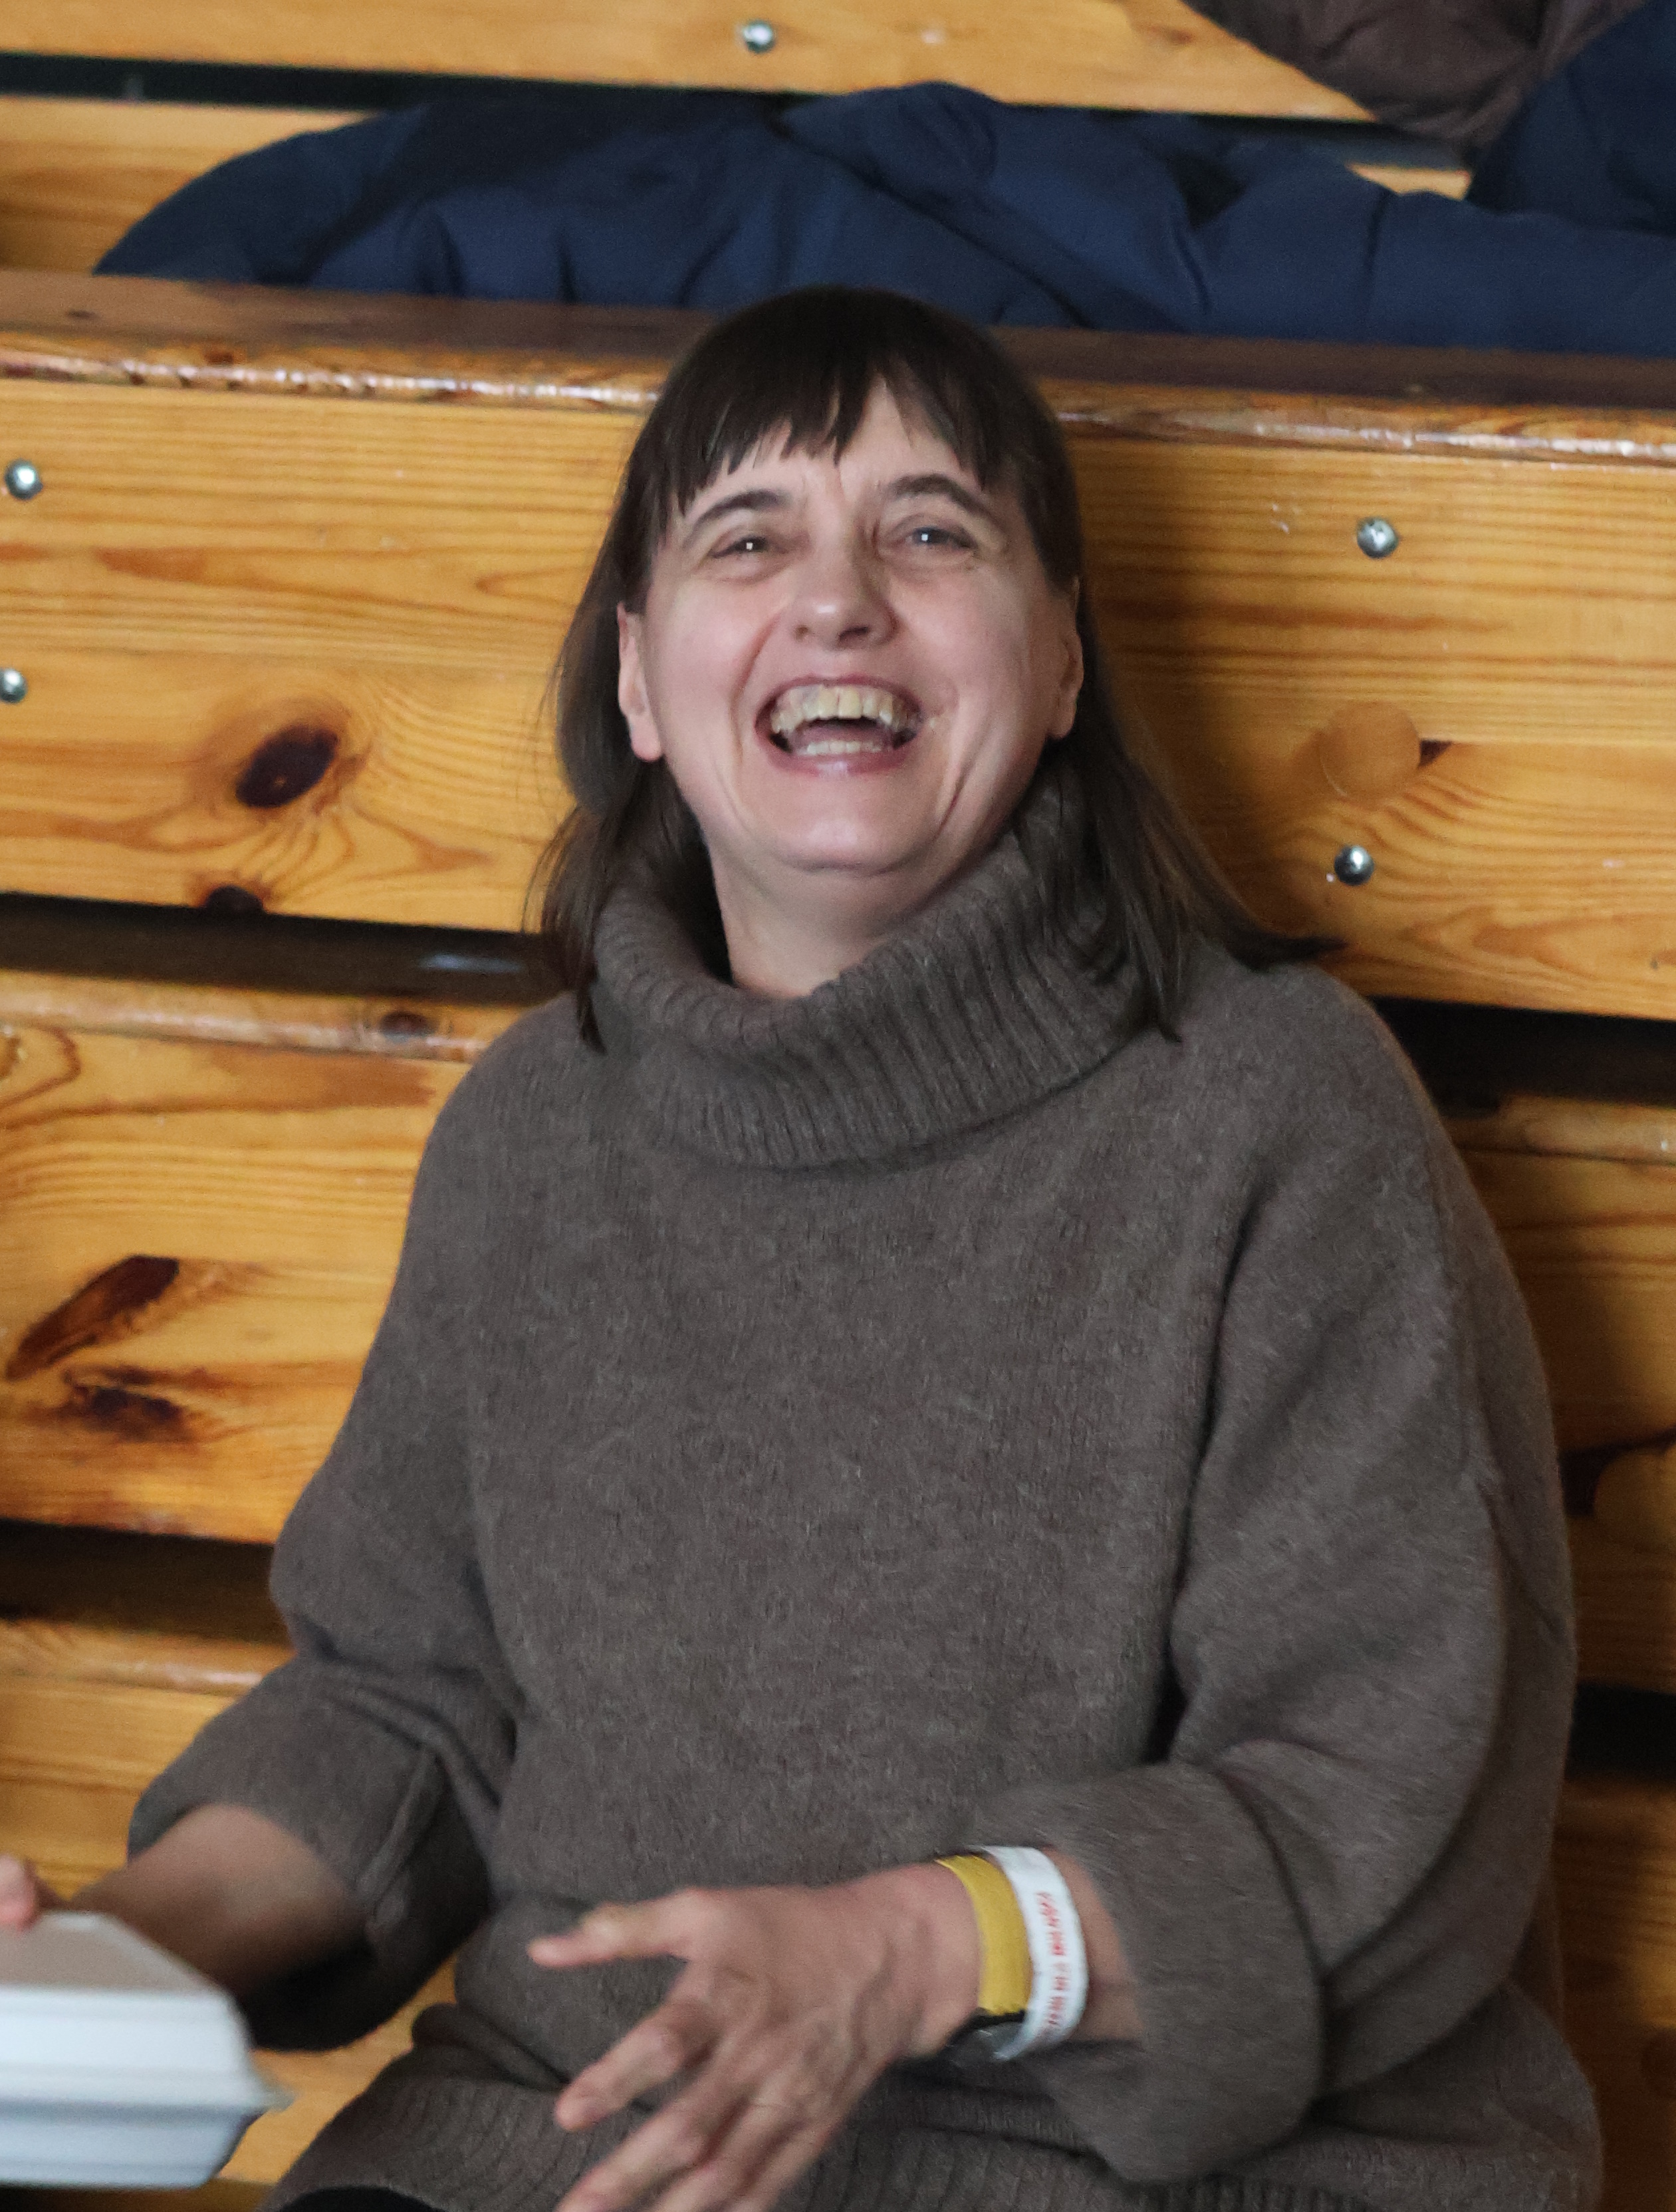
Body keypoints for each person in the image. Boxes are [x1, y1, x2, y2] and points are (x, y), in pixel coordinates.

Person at [0, 287, 1598, 2212]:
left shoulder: (1279, 1112)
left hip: (1153, 2180)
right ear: (639, 683)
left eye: (932, 532)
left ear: (1064, 662)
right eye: (747, 540)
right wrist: (89, 1983)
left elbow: (1382, 1795)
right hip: (571, 2144)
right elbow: (409, 1711)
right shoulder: (532, 1132)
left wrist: (908, 1950)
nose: (838, 601)